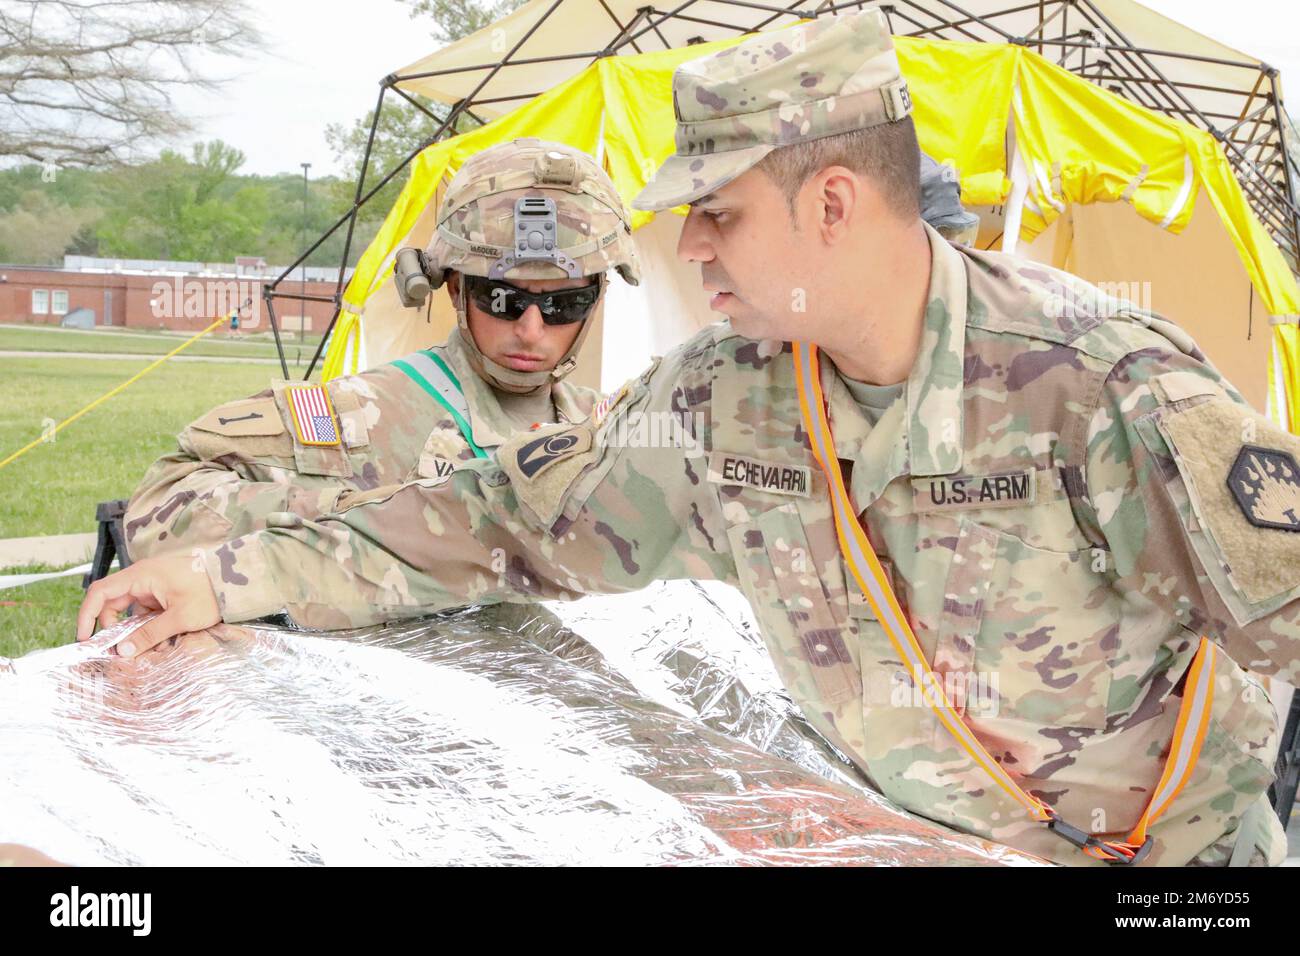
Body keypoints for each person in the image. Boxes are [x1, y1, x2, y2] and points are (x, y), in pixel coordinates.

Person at [80, 11, 1298, 866]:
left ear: (833, 205)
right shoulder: (726, 400)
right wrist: (214, 573)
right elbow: (498, 518)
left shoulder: (1100, 388)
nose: (692, 250)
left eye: (716, 213)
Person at [124, 138, 638, 559]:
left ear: (595, 300)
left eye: (563, 304)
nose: (530, 329)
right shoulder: (363, 416)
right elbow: (162, 507)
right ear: (455, 289)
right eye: (502, 298)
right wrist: (376, 517)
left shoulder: (605, 427)